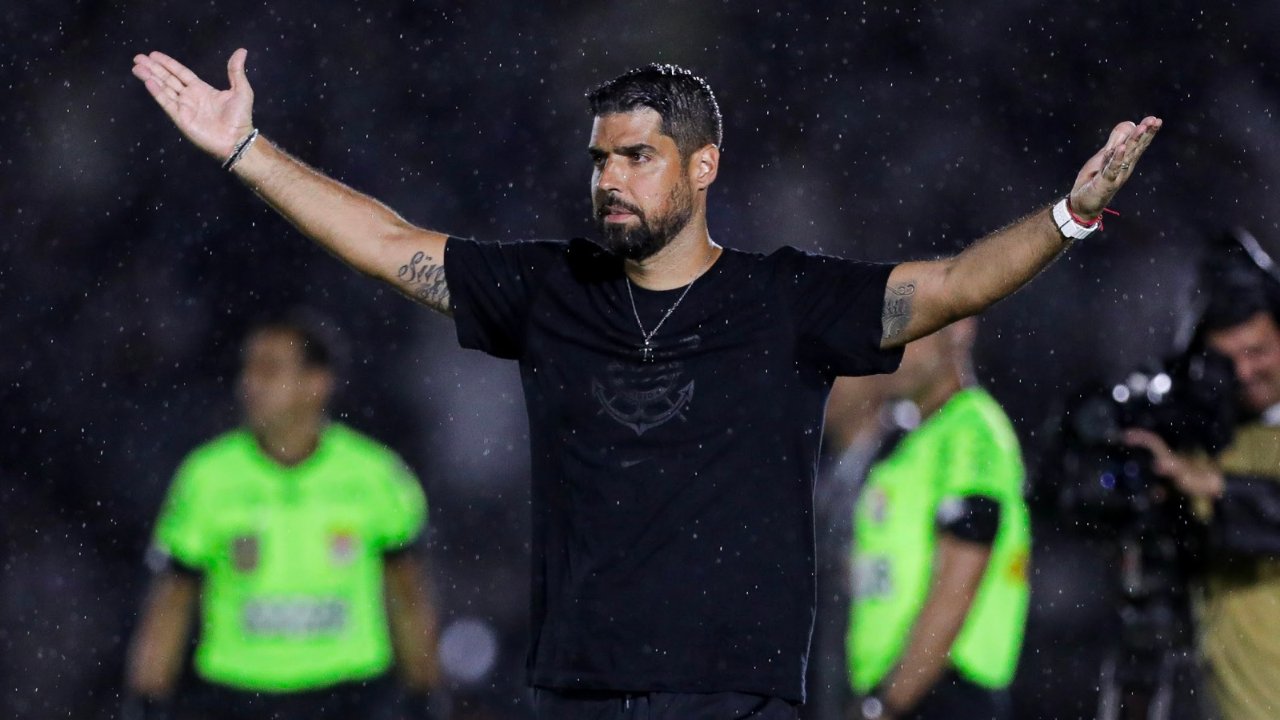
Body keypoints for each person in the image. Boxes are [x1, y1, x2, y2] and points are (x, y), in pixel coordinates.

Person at [128, 48, 1160, 719]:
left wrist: (1067, 215)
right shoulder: (549, 289)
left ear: (703, 168)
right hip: (576, 690)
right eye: (599, 159)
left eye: (635, 157)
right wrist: (247, 151)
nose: (608, 179)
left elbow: (949, 285)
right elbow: (385, 239)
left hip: (736, 699)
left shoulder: (783, 301)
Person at [122, 311, 442, 720]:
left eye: (269, 370)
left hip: (348, 695)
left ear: (317, 384)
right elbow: (171, 599)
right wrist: (147, 699)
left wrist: (426, 693)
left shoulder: (375, 475)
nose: (249, 384)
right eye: (248, 369)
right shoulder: (207, 477)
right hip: (238, 696)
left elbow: (408, 593)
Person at [840, 319, 1029, 720]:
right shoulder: (911, 442)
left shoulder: (971, 431)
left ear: (957, 330)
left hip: (943, 692)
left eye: (909, 332)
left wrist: (887, 704)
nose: (891, 348)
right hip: (905, 689)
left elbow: (961, 575)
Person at [1125, 244, 1280, 720]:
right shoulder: (1209, 438)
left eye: (1258, 351)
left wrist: (1212, 485)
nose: (1246, 372)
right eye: (1227, 359)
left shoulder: (1209, 465)